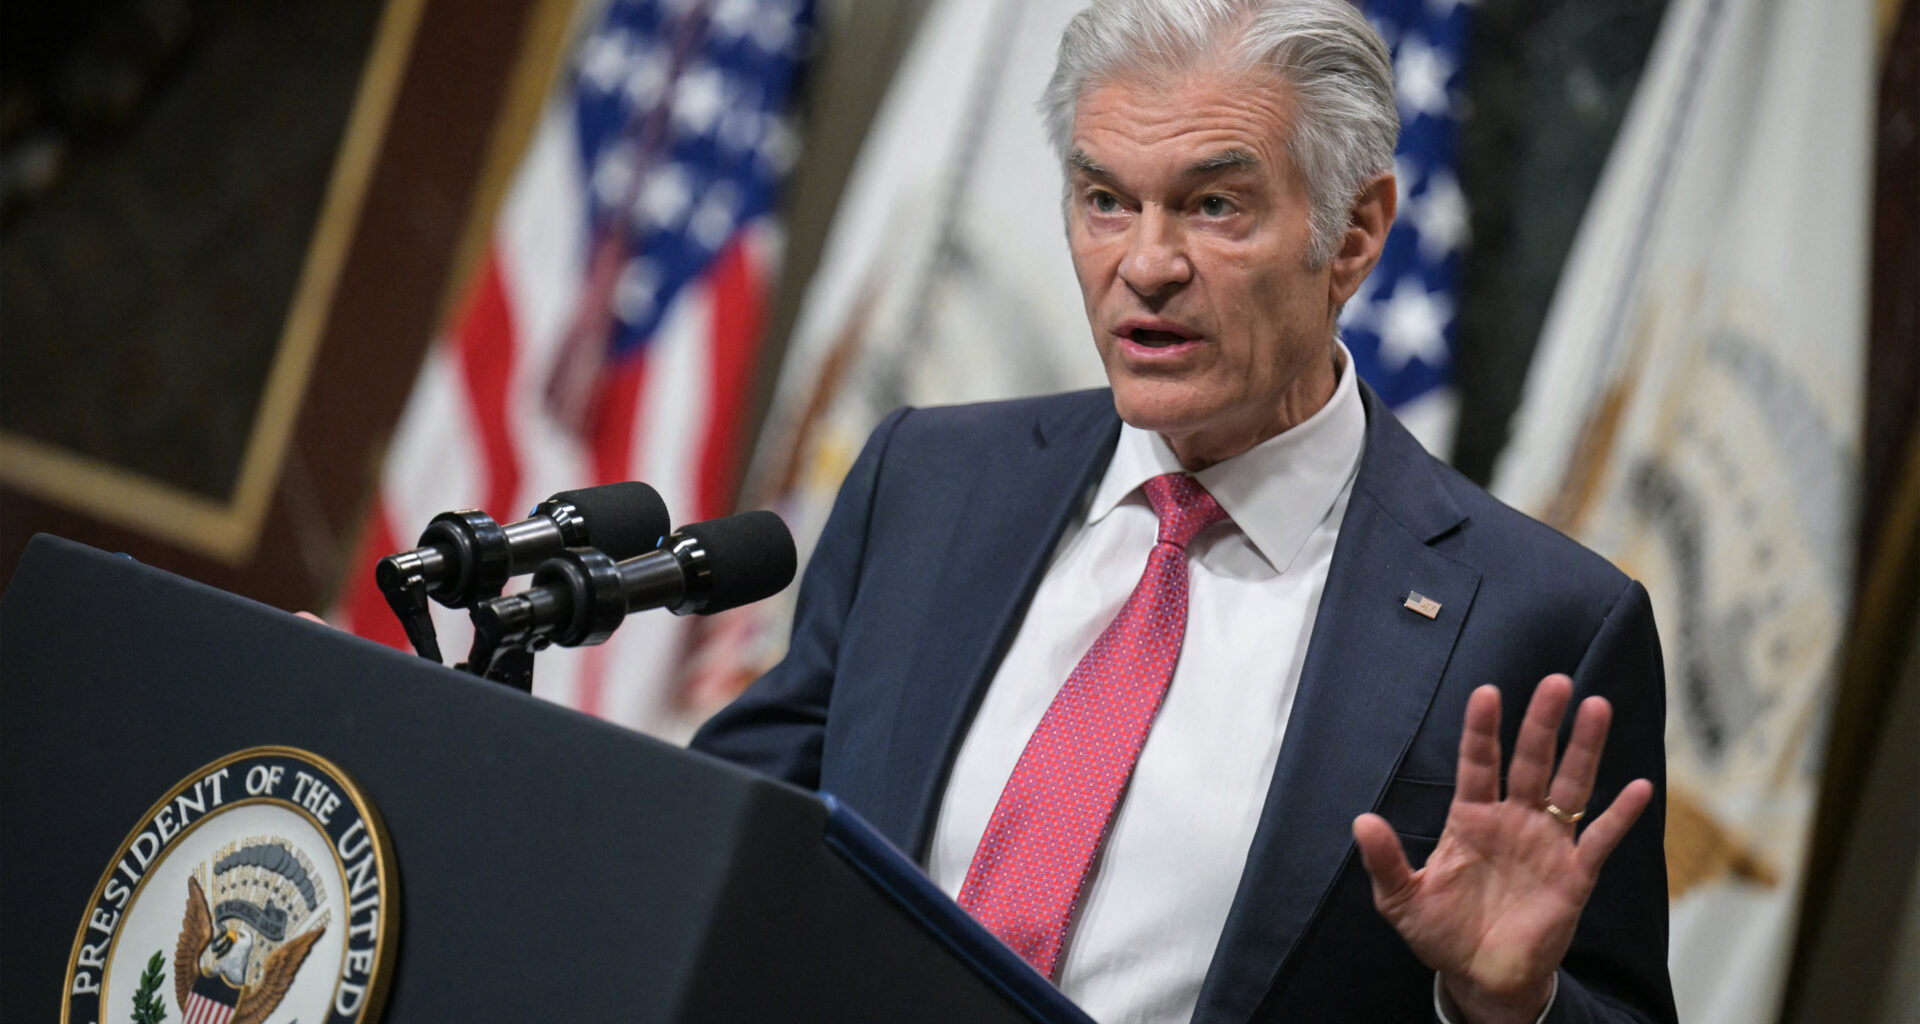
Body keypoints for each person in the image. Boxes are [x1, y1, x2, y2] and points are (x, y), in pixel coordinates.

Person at [691, 2, 1676, 1022]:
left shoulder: (1539, 623)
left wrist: (1512, 1005)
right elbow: (725, 834)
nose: (1148, 265)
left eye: (1213, 206)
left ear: (1354, 232)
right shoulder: (930, 481)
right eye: (1106, 199)